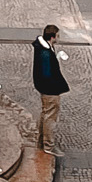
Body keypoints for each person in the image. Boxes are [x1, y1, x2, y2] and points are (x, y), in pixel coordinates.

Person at [32, 22, 69, 152]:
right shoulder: (46, 53)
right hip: (50, 90)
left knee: (45, 114)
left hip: (44, 88)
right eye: (57, 35)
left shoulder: (43, 49)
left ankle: (41, 141)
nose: (58, 38)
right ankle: (48, 145)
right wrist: (56, 86)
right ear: (52, 37)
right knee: (50, 117)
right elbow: (47, 74)